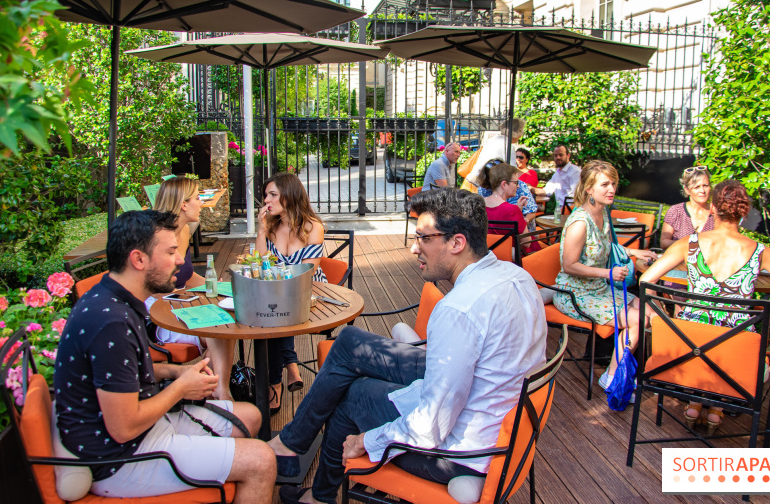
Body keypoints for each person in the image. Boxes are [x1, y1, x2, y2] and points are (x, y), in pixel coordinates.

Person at [268, 188, 548, 504]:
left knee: (352, 394)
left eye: (423, 238)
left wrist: (367, 440)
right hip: (487, 408)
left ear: (457, 243)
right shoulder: (518, 276)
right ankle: (293, 443)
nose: (413, 248)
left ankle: (319, 496)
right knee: (348, 342)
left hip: (461, 453)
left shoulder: (459, 309)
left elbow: (430, 428)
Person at [53, 210, 276, 500]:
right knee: (262, 459)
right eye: (171, 252)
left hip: (144, 429)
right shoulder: (110, 323)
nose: (181, 260)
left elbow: (119, 374)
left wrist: (174, 372)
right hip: (119, 457)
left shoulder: (113, 300)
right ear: (139, 259)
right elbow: (123, 427)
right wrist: (182, 388)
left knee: (251, 415)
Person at [642, 180, 770, 433]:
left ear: (713, 208)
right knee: (748, 354)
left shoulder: (688, 243)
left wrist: (661, 314)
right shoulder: (760, 251)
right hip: (735, 355)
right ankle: (716, 408)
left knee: (704, 339)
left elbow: (646, 279)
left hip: (685, 347)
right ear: (745, 211)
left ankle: (695, 403)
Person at [553, 160, 657, 396]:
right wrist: (607, 273)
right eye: (605, 184)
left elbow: (606, 245)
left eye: (613, 184)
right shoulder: (580, 222)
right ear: (589, 188)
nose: (612, 189)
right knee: (637, 319)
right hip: (574, 293)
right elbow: (568, 265)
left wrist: (633, 251)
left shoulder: (603, 213)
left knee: (650, 309)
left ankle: (632, 371)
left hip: (599, 289)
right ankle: (612, 377)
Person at [151, 177, 234, 401]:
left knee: (225, 325)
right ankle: (221, 393)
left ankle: (217, 387)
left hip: (178, 301)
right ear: (183, 204)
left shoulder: (185, 231)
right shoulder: (155, 237)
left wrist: (225, 287)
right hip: (158, 312)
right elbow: (154, 287)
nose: (202, 202)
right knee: (218, 328)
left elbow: (185, 276)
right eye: (198, 197)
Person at [255, 172, 326, 415]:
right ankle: (289, 365)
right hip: (276, 290)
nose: (267, 200)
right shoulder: (272, 227)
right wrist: (261, 231)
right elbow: (260, 262)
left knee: (272, 318)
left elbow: (307, 271)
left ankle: (274, 382)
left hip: (307, 291)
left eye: (273, 195)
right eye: (266, 195)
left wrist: (275, 281)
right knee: (271, 314)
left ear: (290, 195)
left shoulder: (312, 227)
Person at [483, 162, 536, 253]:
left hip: (487, 255)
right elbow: (527, 243)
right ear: (504, 184)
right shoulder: (511, 210)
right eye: (516, 182)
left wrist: (518, 210)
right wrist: (519, 214)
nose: (518, 186)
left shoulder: (479, 204)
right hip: (512, 259)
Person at [660, 165, 715, 249]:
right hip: (679, 260)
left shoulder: (716, 211)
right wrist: (690, 244)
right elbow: (664, 243)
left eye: (706, 185)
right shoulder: (676, 211)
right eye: (697, 187)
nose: (702, 191)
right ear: (687, 190)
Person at [476, 158, 539, 226]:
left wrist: (523, 221)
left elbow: (531, 210)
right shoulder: (483, 189)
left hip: (519, 228)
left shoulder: (520, 185)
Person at [465, 118, 526, 186]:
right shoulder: (508, 146)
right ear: (518, 132)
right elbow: (512, 171)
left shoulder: (494, 139)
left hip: (477, 177)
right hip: (487, 182)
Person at [540, 144, 581, 211]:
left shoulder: (575, 172)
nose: (558, 157)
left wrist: (568, 212)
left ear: (568, 155)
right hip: (560, 211)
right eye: (555, 155)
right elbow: (546, 191)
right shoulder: (557, 173)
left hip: (572, 211)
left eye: (561, 155)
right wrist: (530, 188)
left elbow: (579, 198)